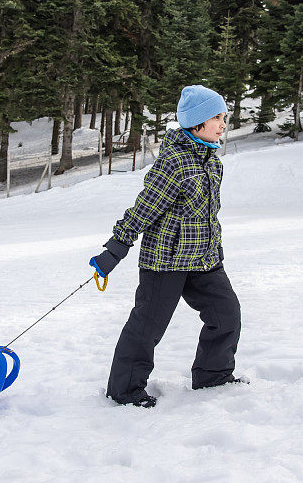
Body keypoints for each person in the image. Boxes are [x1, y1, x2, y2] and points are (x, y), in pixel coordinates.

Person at [90, 85, 245, 408]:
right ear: (197, 122)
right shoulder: (173, 163)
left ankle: (213, 374)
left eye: (224, 116)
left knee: (226, 313)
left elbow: (207, 216)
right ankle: (125, 390)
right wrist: (116, 247)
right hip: (165, 262)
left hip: (204, 261)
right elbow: (144, 208)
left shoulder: (213, 163)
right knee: (147, 327)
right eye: (217, 117)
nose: (223, 123)